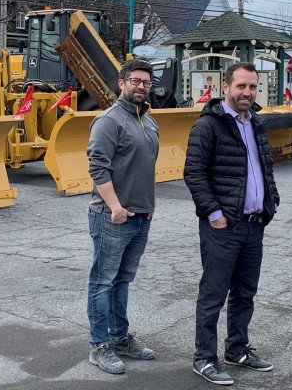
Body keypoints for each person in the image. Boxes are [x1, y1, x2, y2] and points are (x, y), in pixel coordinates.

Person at [184, 61, 280, 386]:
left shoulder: (257, 123)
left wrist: (271, 203)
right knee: (213, 294)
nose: (247, 92)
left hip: (254, 224)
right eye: (241, 86)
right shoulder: (208, 125)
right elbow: (194, 174)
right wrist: (214, 213)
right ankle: (204, 358)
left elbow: (265, 168)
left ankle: (237, 349)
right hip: (223, 227)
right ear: (226, 87)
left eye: (252, 87)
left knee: (245, 293)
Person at [85, 57, 160, 375]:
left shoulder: (149, 120)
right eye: (136, 81)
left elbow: (145, 166)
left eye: (146, 82)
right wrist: (115, 207)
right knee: (103, 282)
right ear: (122, 83)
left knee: (122, 281)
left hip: (141, 216)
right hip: (112, 216)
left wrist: (148, 207)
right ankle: (99, 346)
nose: (141, 87)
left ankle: (119, 338)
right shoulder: (109, 120)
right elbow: (97, 166)